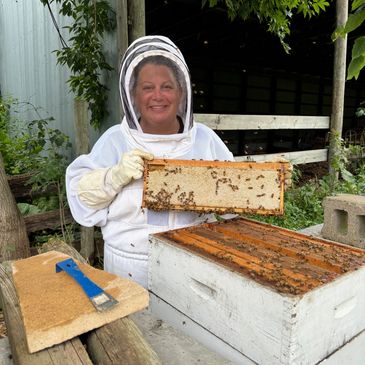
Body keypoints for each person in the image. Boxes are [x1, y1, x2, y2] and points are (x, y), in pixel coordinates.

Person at [65, 35, 234, 288]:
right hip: (129, 267)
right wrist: (113, 176)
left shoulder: (206, 140)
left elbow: (236, 197)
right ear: (133, 95)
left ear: (181, 92)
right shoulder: (114, 140)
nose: (158, 95)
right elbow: (82, 201)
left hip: (194, 260)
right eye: (147, 87)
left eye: (167, 86)